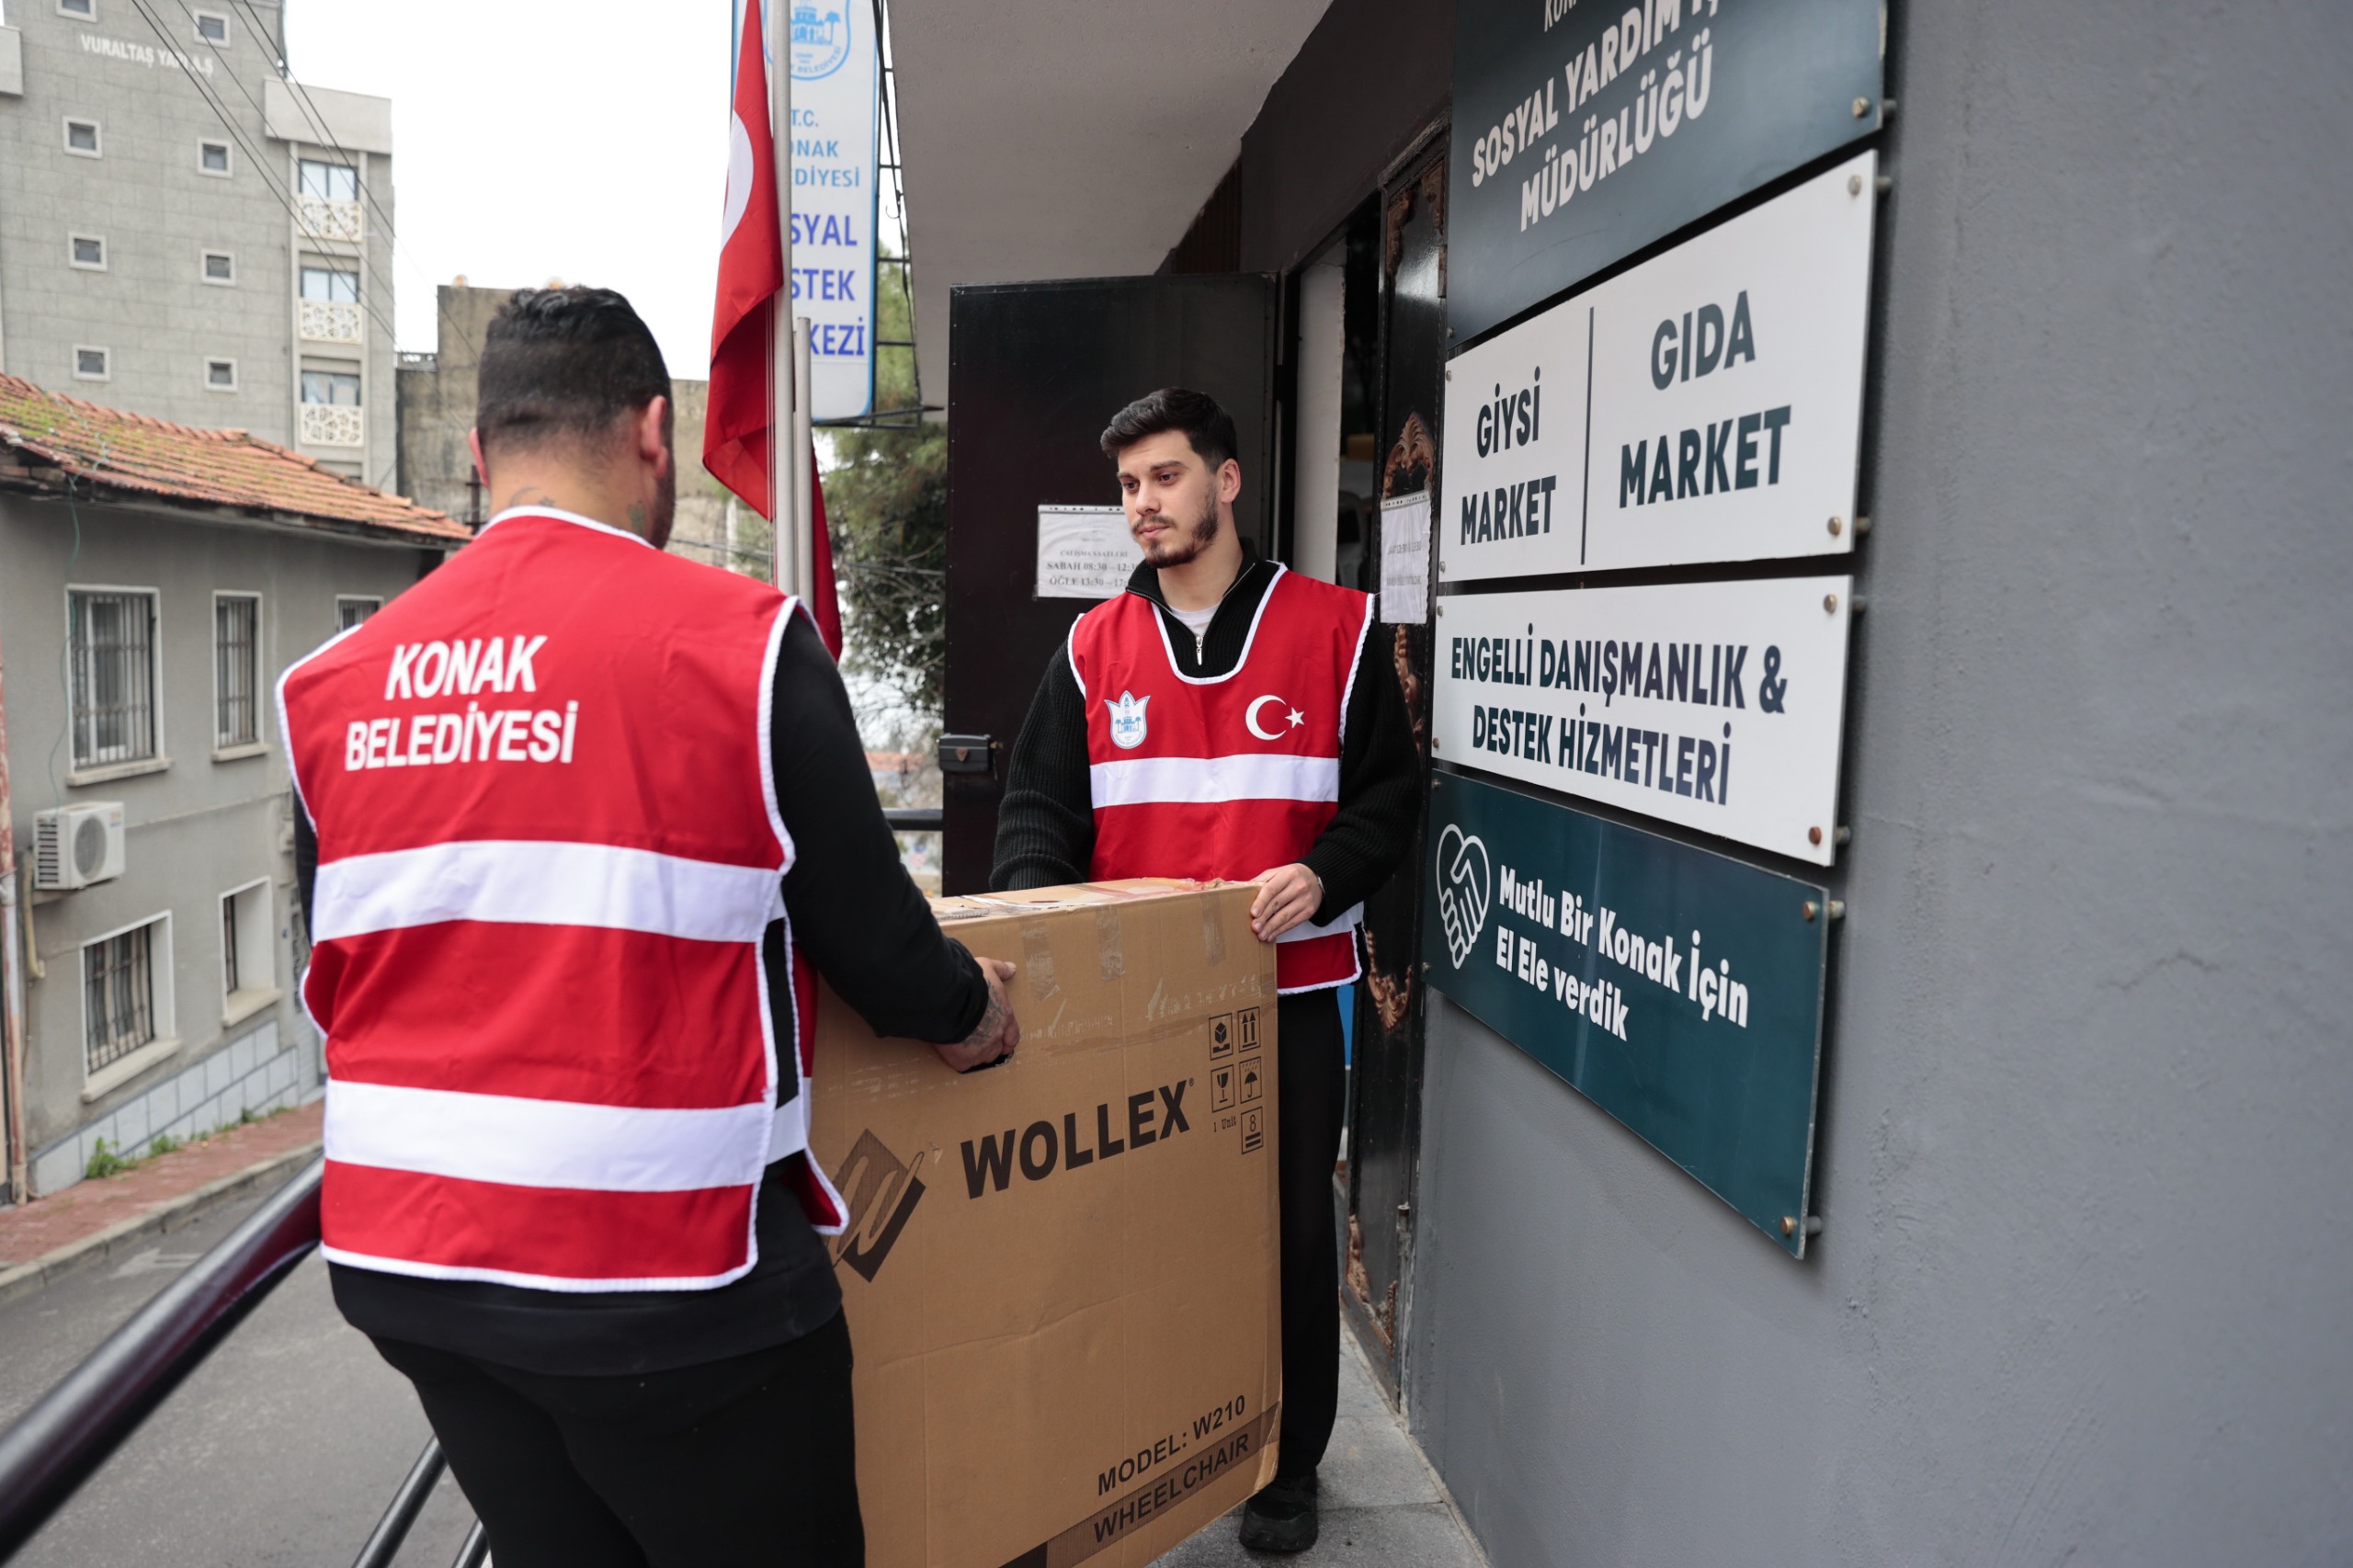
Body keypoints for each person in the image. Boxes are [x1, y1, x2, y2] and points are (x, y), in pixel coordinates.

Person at [279, 287, 1017, 1568]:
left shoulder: (334, 684)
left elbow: (348, 959)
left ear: (480, 451)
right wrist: (975, 1013)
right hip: (667, 1282)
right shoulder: (739, 646)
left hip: (411, 1265)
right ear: (654, 434)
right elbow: (878, 943)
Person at [992, 387, 1416, 1553]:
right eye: (1128, 485)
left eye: (1166, 476)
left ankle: (1288, 1465)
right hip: (1137, 1018)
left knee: (1286, 1233)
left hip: (1288, 997)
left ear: (1227, 481)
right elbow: (1036, 812)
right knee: (1129, 1238)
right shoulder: (1087, 649)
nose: (1144, 504)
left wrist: (1325, 873)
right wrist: (1047, 931)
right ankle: (1142, 1452)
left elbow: (1390, 799)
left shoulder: (1338, 625)